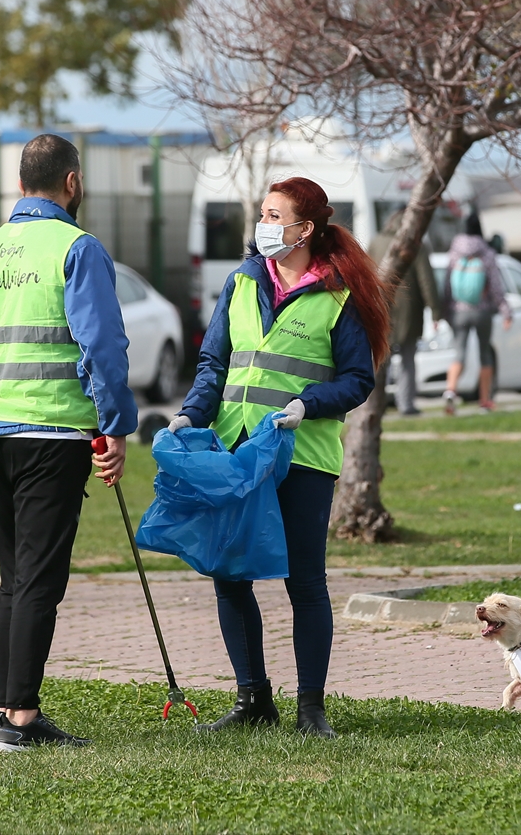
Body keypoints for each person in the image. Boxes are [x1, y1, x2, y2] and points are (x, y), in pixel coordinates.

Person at [0, 133, 138, 751]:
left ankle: (5, 711)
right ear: (72, 182)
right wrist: (115, 425)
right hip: (53, 433)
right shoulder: (77, 248)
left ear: (20, 184)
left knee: (15, 577)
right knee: (40, 580)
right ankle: (20, 719)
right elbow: (102, 345)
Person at [170, 177, 388, 738]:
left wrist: (306, 404)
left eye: (274, 216)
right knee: (229, 575)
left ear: (304, 229)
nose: (263, 225)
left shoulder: (338, 296)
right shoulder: (242, 282)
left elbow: (357, 380)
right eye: (263, 215)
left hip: (303, 456)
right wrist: (192, 414)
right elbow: (214, 364)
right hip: (237, 450)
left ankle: (310, 710)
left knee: (305, 583)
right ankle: (253, 700)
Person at [368, 208, 441, 415]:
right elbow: (426, 280)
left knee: (379, 358)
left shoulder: (376, 242)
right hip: (410, 309)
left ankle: (374, 404)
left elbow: (366, 273)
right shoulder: (415, 245)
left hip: (382, 306)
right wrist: (435, 311)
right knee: (408, 358)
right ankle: (406, 404)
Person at [441, 211, 511, 413]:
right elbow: (496, 287)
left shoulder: (454, 251)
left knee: (459, 353)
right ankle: (485, 400)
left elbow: (447, 284)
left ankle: (450, 390)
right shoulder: (487, 253)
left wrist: (445, 310)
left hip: (458, 311)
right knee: (485, 354)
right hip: (482, 311)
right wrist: (506, 311)